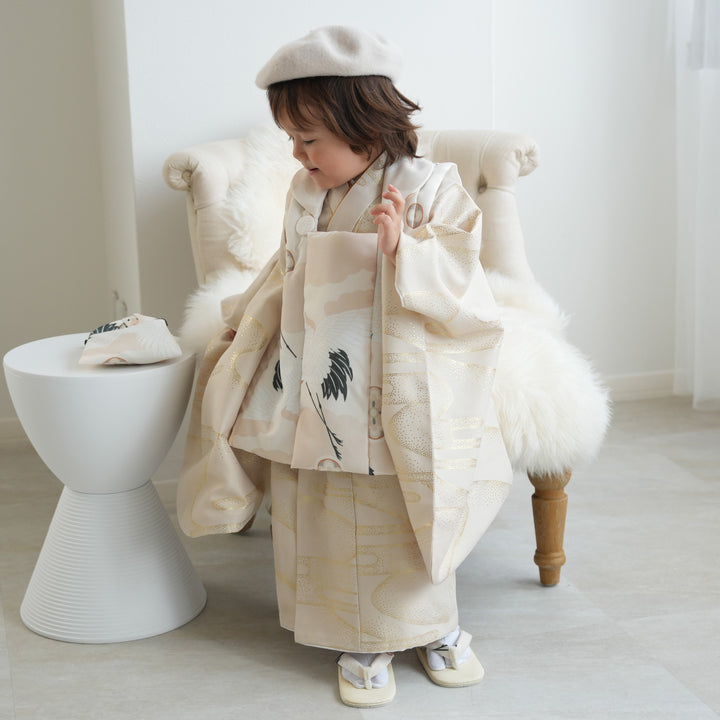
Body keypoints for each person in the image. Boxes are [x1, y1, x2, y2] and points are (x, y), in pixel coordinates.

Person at [177, 25, 513, 708]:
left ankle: (435, 627)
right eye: (292, 140)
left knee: (407, 502)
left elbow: (463, 275)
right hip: (321, 369)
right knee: (328, 502)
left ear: (363, 123)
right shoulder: (306, 190)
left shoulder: (431, 186)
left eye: (310, 139)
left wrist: (404, 250)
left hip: (396, 378)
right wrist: (247, 313)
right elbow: (285, 268)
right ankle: (358, 639)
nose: (299, 156)